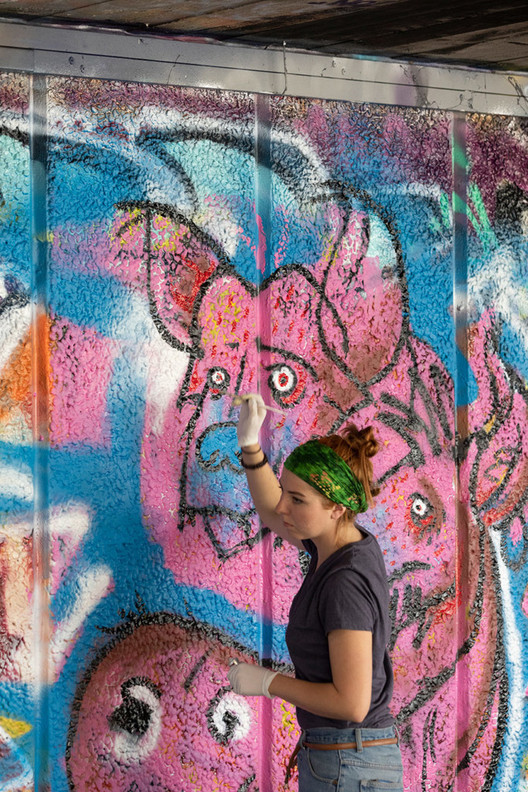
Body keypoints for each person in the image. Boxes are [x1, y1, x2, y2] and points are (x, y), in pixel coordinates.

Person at [227, 394, 403, 791]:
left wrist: (268, 683)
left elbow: (352, 703)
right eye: (286, 491)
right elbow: (272, 511)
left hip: (349, 765)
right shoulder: (337, 544)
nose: (284, 506)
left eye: (298, 499)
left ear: (337, 507)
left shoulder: (344, 582)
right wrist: (251, 446)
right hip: (344, 760)